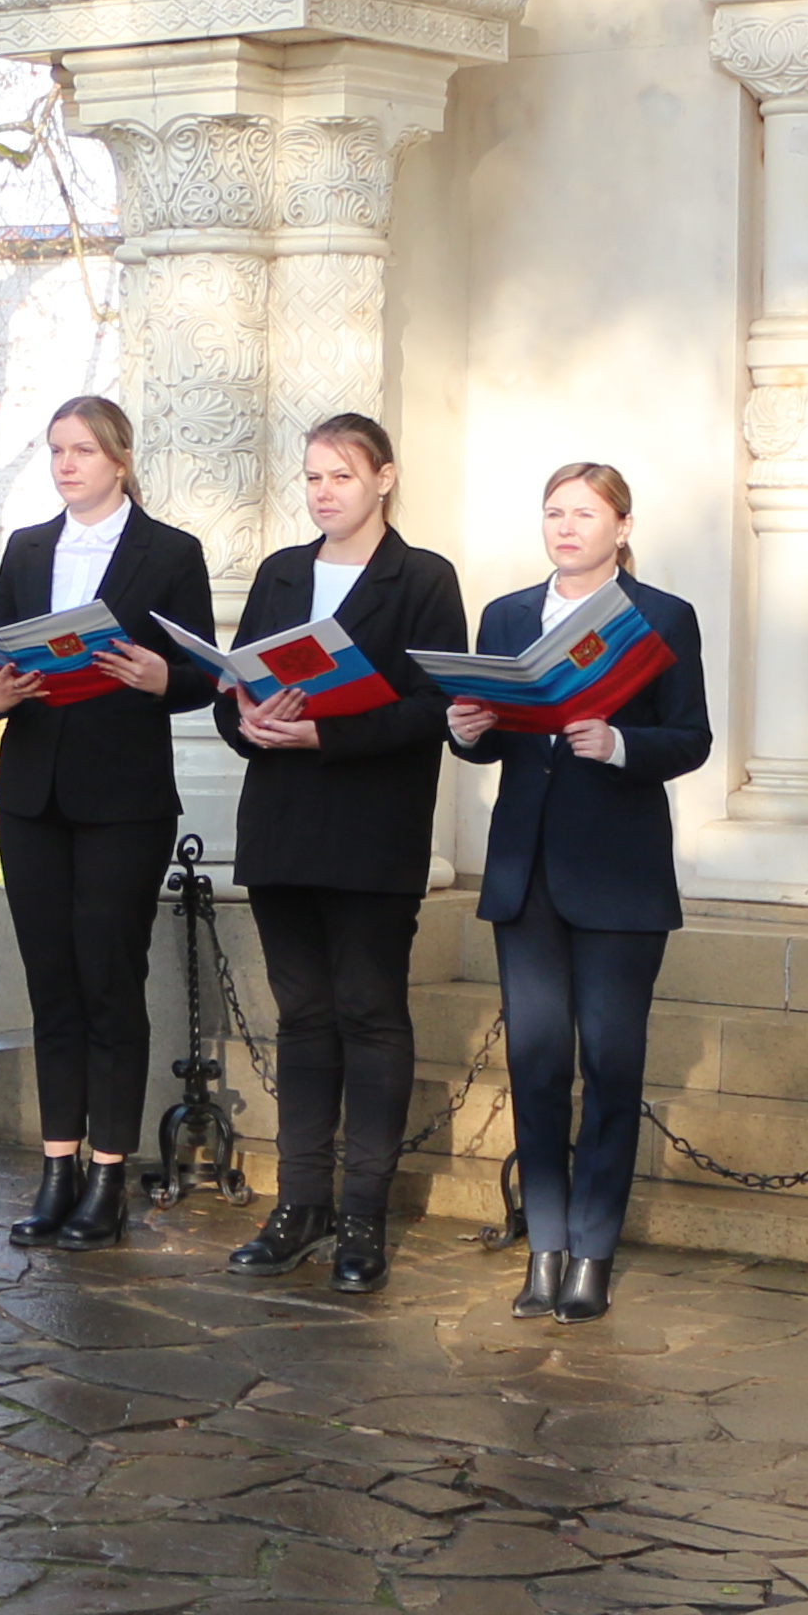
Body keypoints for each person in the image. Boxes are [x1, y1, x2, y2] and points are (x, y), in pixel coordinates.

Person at [444, 460, 714, 1321]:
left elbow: (692, 736)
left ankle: (593, 1253)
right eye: (554, 512)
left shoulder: (662, 617)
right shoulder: (508, 615)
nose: (565, 528)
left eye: (585, 514)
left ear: (622, 527)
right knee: (534, 1064)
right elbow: (491, 742)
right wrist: (465, 728)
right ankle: (544, 1247)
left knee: (610, 1062)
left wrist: (623, 746)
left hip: (619, 871)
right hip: (525, 871)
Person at [210, 414, 469, 1295]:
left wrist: (326, 733)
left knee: (368, 1010)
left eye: (342, 478)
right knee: (302, 1016)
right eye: (314, 478)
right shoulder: (283, 572)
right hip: (281, 825)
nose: (324, 493)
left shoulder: (423, 578)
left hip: (371, 827)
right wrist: (244, 721)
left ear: (385, 479)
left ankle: (364, 1214)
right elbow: (233, 690)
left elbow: (432, 706)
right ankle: (301, 1204)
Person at [0, 394, 217, 1249]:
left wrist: (162, 678)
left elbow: (201, 673)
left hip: (123, 798)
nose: (66, 464)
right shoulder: (28, 547)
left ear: (119, 459)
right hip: (32, 793)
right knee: (52, 986)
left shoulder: (170, 551)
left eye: (82, 450)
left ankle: (109, 1174)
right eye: (56, 450)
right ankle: (57, 1166)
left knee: (108, 978)